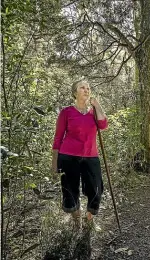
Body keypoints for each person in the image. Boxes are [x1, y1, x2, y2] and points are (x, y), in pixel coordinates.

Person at [51, 79, 108, 228]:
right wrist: (54, 162)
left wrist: (97, 106)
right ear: (75, 92)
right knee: (70, 190)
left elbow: (103, 125)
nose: (86, 90)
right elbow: (58, 138)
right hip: (68, 156)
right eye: (82, 87)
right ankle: (77, 221)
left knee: (96, 188)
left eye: (88, 88)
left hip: (91, 156)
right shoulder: (66, 112)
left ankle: (89, 218)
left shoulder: (93, 112)